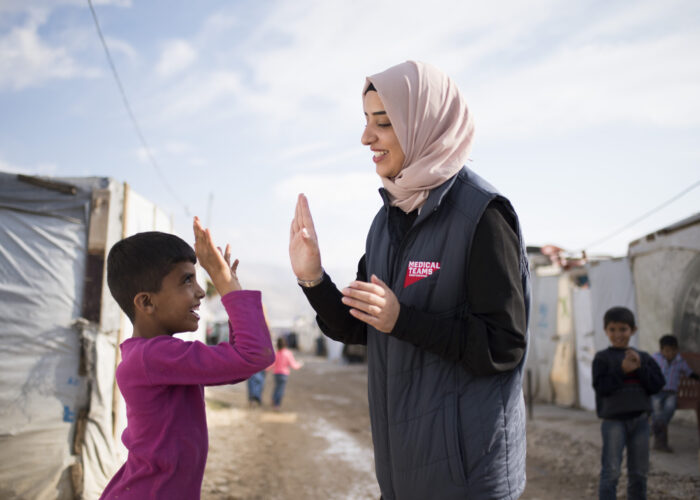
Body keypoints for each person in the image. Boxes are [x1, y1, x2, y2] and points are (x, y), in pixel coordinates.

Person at [289, 60, 530, 500]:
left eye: (383, 123)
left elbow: (503, 345)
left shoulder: (482, 216)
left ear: (425, 124)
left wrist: (404, 321)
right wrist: (313, 279)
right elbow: (359, 325)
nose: (366, 137)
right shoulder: (386, 222)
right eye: (365, 122)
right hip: (401, 477)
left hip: (468, 482)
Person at [100, 217, 275, 499]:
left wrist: (231, 286)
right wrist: (225, 283)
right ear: (146, 302)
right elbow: (254, 354)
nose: (201, 291)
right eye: (186, 280)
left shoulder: (155, 355)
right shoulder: (154, 357)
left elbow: (241, 362)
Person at [592, 306, 665, 500]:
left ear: (633, 330)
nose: (618, 334)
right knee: (611, 471)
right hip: (613, 422)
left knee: (639, 473)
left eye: (623, 329)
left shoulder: (644, 358)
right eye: (613, 329)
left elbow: (657, 385)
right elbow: (601, 388)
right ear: (606, 331)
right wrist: (622, 371)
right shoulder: (602, 358)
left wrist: (639, 368)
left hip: (641, 422)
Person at [651, 334, 700, 452]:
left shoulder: (679, 361)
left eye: (673, 350)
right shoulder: (655, 359)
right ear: (661, 350)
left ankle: (657, 429)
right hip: (657, 392)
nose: (670, 353)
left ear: (677, 350)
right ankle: (660, 441)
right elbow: (647, 371)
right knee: (656, 410)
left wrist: (697, 377)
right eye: (667, 351)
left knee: (670, 408)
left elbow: (688, 373)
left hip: (671, 393)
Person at [268, 336, 303, 409]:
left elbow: (272, 364)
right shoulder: (288, 353)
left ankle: (273, 399)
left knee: (277, 387)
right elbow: (293, 365)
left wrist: (266, 369)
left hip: (276, 374)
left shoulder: (277, 353)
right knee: (281, 390)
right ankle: (277, 404)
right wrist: (300, 364)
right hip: (284, 375)